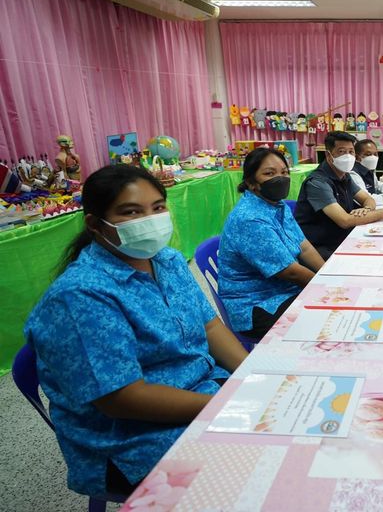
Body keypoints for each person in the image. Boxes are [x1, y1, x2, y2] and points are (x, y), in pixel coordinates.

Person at [24, 165, 247, 498]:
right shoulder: (80, 296)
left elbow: (209, 325)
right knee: (256, 472)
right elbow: (122, 398)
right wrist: (223, 406)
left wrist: (251, 378)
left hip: (202, 390)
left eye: (157, 207)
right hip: (132, 437)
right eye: (131, 212)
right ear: (95, 224)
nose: (150, 220)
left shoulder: (168, 261)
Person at [218, 148, 325, 340]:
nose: (280, 178)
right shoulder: (249, 219)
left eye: (284, 172)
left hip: (285, 288)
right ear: (251, 182)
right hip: (258, 304)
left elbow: (304, 246)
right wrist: (325, 287)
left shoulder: (277, 205)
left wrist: (327, 275)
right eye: (269, 173)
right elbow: (290, 272)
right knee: (327, 320)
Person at [295, 131, 383, 259]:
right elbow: (345, 221)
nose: (348, 156)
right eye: (341, 151)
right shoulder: (317, 183)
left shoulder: (344, 176)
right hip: (319, 246)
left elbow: (367, 199)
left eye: (351, 152)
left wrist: (367, 209)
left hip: (343, 236)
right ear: (329, 155)